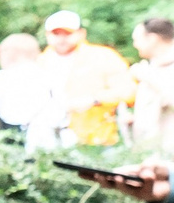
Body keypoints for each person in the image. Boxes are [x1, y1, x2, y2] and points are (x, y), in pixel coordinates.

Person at [39, 10, 129, 148]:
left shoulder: (103, 56)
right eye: (56, 34)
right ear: (47, 35)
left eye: (68, 33)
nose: (62, 38)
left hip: (97, 141)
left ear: (81, 33)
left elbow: (128, 91)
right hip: (51, 139)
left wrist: (94, 99)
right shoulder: (41, 62)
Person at [0, 33, 59, 142]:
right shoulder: (52, 76)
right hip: (55, 146)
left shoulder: (3, 78)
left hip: (21, 146)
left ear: (6, 54)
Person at [126, 18, 174, 152]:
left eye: (137, 39)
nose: (135, 45)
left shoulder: (148, 74)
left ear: (152, 38)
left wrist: (149, 78)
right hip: (150, 153)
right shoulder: (150, 67)